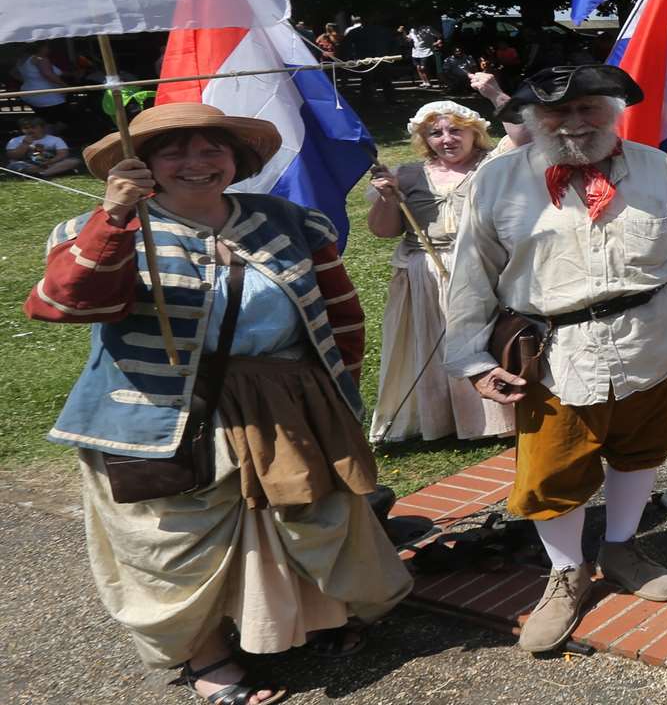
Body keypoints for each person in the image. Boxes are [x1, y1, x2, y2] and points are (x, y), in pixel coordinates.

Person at [25, 103, 410, 704]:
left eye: (213, 149)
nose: (196, 163)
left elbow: (341, 316)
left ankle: (313, 620)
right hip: (160, 410)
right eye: (174, 151)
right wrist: (117, 214)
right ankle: (205, 656)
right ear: (144, 164)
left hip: (286, 400)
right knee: (174, 537)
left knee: (307, 515)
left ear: (237, 160)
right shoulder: (101, 228)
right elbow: (65, 305)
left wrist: (338, 396)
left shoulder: (290, 223)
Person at [443, 65, 667, 653]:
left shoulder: (660, 169)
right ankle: (566, 573)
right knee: (552, 472)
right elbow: (471, 277)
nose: (575, 123)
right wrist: (472, 359)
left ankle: (622, 548)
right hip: (554, 354)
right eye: (557, 112)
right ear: (530, 117)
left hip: (655, 338)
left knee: (641, 450)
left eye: (589, 109)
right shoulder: (497, 181)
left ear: (613, 111)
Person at [364, 101, 516, 443]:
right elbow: (384, 231)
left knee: (484, 340)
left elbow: (525, 135)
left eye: (455, 130)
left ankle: (497, 417)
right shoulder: (407, 175)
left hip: (482, 267)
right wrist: (389, 197)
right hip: (427, 273)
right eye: (436, 133)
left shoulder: (494, 167)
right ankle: (444, 419)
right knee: (434, 345)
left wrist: (494, 93)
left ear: (473, 132)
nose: (446, 139)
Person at [14, 42, 80, 132]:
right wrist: (64, 85)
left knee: (45, 120)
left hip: (29, 93)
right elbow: (48, 74)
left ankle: (47, 138)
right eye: (47, 47)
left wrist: (30, 81)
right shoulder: (41, 59)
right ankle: (48, 138)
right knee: (65, 119)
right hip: (47, 96)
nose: (49, 49)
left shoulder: (23, 60)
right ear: (41, 48)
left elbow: (15, 73)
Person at [6, 115, 81, 178]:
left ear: (42, 127)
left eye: (33, 127)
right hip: (27, 164)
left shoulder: (55, 139)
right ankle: (56, 171)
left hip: (50, 163)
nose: (29, 130)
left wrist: (49, 161)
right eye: (26, 128)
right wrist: (24, 144)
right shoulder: (15, 140)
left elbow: (63, 154)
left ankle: (42, 174)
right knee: (14, 165)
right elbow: (13, 156)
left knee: (74, 161)